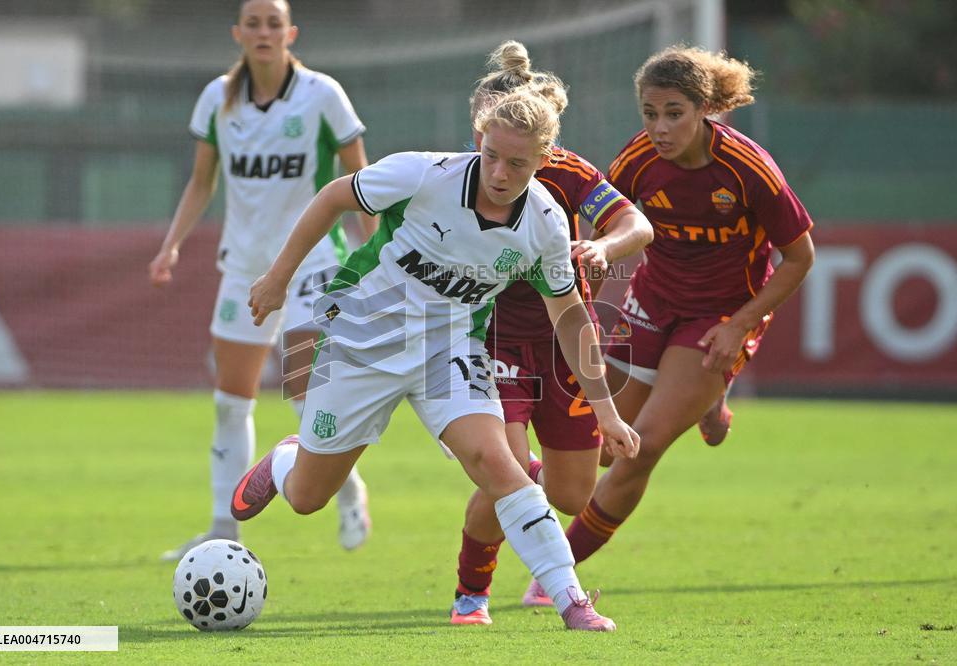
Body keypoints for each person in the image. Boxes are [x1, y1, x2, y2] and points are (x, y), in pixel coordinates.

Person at [231, 85, 641, 631]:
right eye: (491, 154)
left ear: (544, 161)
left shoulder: (545, 222)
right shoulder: (425, 175)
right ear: (479, 140)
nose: (498, 172)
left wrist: (607, 413)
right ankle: (287, 458)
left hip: (450, 348)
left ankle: (571, 599)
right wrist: (279, 278)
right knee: (307, 497)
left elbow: (571, 317)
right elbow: (333, 195)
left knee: (500, 466)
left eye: (517, 163)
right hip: (360, 336)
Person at [523, 46, 816, 596]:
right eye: (650, 113)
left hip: (719, 317)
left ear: (705, 109)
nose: (660, 127)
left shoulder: (748, 169)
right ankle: (708, 397)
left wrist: (740, 326)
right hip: (651, 301)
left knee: (642, 447)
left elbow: (800, 258)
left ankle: (555, 576)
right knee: (601, 448)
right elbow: (607, 217)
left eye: (674, 113)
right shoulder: (637, 159)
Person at [149, 0, 377, 560]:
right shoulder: (216, 99)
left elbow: (363, 181)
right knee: (230, 403)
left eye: (274, 22)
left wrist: (375, 253)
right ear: (238, 34)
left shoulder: (323, 94)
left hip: (313, 268)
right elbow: (202, 182)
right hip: (243, 271)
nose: (264, 32)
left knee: (305, 402)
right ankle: (223, 530)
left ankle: (348, 491)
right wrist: (171, 244)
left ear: (290, 32)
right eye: (253, 23)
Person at [448, 41, 654, 626]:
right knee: (504, 473)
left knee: (571, 496)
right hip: (492, 342)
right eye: (485, 139)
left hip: (566, 342)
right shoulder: (456, 173)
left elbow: (636, 225)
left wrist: (602, 245)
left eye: (516, 154)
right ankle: (471, 594)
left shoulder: (567, 173)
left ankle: (532, 478)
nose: (497, 165)